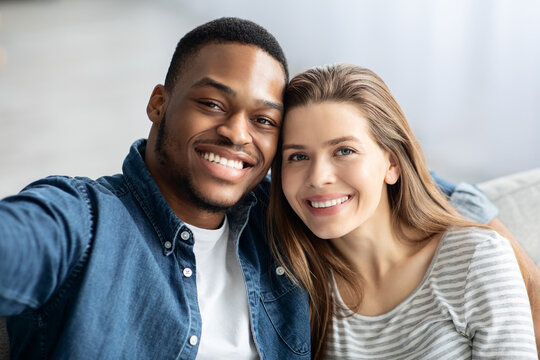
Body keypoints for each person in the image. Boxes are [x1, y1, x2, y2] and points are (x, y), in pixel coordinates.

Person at [0, 17, 538, 359]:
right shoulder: (83, 221)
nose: (236, 133)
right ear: (159, 103)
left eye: (263, 121)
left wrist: (493, 241)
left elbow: (376, 167)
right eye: (212, 104)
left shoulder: (272, 221)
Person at [268, 63, 538, 359]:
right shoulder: (293, 288)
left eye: (344, 150)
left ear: (392, 164)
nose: (318, 177)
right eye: (298, 156)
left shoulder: (477, 259)